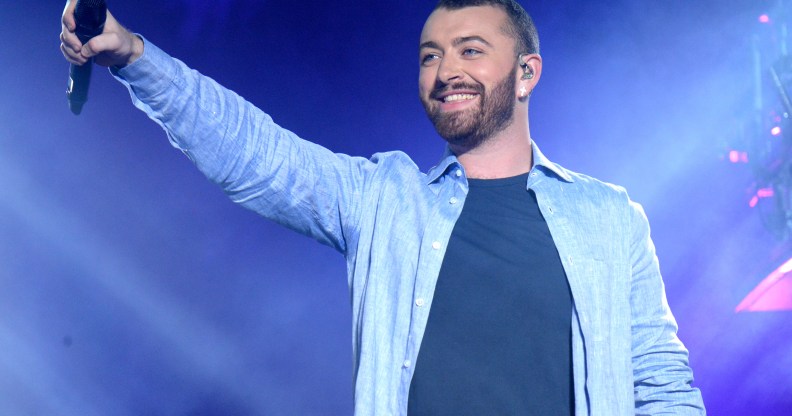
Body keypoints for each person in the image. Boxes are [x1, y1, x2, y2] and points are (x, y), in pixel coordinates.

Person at [60, 0, 706, 414]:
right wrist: (136, 57)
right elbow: (259, 154)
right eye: (430, 55)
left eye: (470, 50)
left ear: (527, 73)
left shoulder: (608, 217)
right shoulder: (384, 200)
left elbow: (661, 386)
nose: (444, 69)